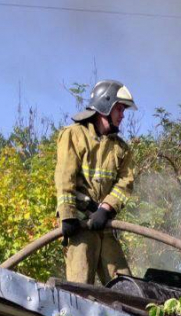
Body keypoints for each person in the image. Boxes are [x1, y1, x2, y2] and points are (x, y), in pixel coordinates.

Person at [54, 80, 138, 285]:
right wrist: (67, 216)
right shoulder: (74, 135)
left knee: (125, 285)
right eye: (119, 109)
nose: (122, 115)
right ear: (105, 105)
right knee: (80, 287)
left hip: (103, 224)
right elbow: (65, 177)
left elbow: (125, 183)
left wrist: (106, 209)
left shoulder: (121, 148)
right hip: (80, 225)